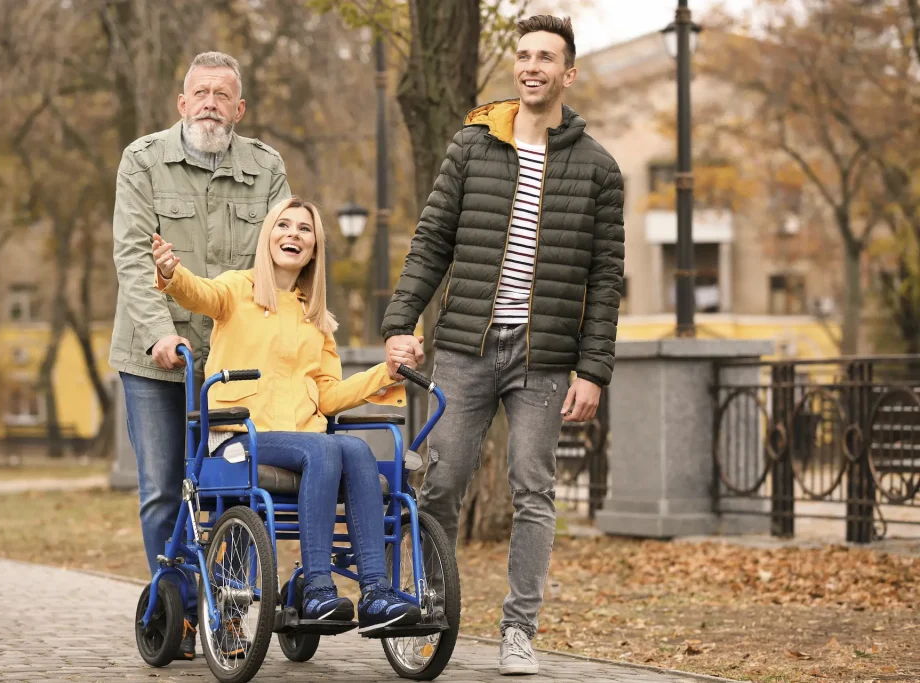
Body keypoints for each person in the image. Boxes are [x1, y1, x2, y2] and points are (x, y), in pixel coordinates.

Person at [381, 15, 625, 676]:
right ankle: (428, 602)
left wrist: (593, 368)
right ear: (515, 67)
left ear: (568, 73)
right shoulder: (472, 145)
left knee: (532, 488)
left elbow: (606, 280)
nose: (533, 66)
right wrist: (401, 320)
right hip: (465, 345)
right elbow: (432, 239)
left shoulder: (599, 168)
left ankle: (519, 629)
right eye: (524, 55)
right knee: (442, 481)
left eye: (547, 57)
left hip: (543, 357)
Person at [152, 196, 425, 634]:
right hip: (240, 439)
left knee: (354, 448)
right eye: (284, 225)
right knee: (324, 448)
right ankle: (318, 587)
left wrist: (385, 372)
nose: (293, 234)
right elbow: (197, 293)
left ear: (314, 248)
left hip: (301, 442)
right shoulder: (236, 290)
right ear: (268, 237)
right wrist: (169, 273)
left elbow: (329, 396)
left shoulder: (316, 319)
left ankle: (375, 593)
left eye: (304, 229)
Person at [109, 51, 291, 659]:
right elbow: (134, 258)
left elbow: (284, 259)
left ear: (239, 109)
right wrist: (162, 332)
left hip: (236, 365)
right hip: (156, 358)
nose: (210, 103)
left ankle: (232, 607)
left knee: (236, 487)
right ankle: (183, 610)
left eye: (223, 94)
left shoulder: (266, 169)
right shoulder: (142, 160)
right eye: (200, 93)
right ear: (182, 103)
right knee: (165, 488)